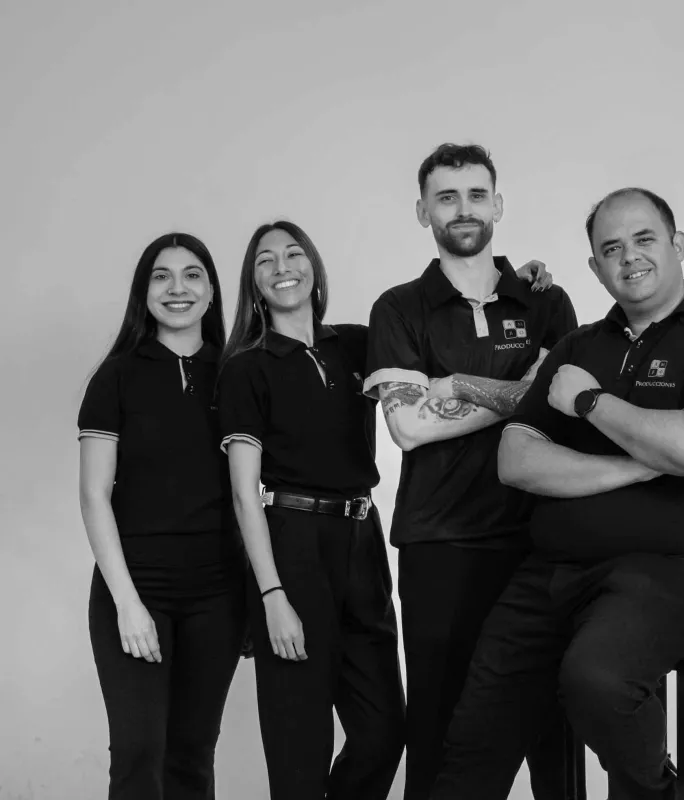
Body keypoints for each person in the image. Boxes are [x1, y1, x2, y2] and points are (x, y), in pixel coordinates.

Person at [429, 187, 684, 800]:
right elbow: (516, 460)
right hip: (553, 572)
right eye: (611, 248)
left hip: (678, 570)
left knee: (597, 680)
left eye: (644, 239)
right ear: (595, 267)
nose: (630, 257)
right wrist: (644, 462)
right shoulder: (578, 347)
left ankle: (658, 791)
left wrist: (590, 402)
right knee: (472, 741)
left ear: (678, 244)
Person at [364, 142, 574, 800]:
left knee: (553, 728)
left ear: (498, 205)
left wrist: (453, 384)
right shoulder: (399, 308)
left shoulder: (546, 301)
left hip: (540, 542)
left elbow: (564, 407)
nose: (463, 208)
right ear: (423, 211)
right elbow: (408, 425)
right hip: (440, 544)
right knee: (439, 727)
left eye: (477, 194)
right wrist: (522, 389)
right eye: (447, 197)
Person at [216, 220, 405, 800]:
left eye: (293, 254)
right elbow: (244, 492)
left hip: (362, 540)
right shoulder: (247, 367)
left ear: (314, 267)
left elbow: (433, 330)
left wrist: (510, 284)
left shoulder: (357, 343)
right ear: (254, 284)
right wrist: (272, 595)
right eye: (265, 261)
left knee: (384, 731)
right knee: (300, 747)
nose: (282, 268)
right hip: (292, 546)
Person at [78, 232, 246, 799]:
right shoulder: (116, 376)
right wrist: (128, 604)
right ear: (143, 292)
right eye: (161, 275)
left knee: (191, 755)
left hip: (218, 593)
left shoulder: (238, 373)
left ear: (212, 290)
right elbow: (94, 496)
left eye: (192, 274)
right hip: (134, 585)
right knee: (138, 751)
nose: (178, 288)